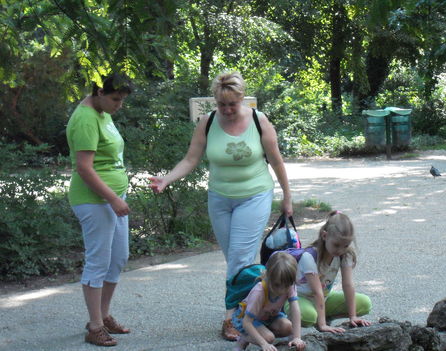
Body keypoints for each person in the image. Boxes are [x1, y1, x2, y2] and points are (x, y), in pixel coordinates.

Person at [149, 72, 293, 341]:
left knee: (239, 258)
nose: (227, 110)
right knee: (235, 260)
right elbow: (190, 159)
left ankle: (233, 319)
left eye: (232, 104)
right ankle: (258, 309)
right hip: (220, 198)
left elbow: (277, 161)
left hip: (254, 195)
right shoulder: (208, 122)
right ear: (215, 101)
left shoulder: (259, 121)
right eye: (221, 104)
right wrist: (166, 179)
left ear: (242, 100)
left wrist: (287, 196)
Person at [66, 74, 133, 347]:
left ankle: (104, 316)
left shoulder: (102, 111)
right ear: (98, 92)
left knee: (118, 257)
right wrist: (112, 199)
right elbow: (84, 168)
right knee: (98, 261)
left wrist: (118, 195)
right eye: (115, 99)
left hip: (112, 197)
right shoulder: (86, 119)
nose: (119, 105)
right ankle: (94, 326)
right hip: (94, 200)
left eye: (122, 100)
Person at [284, 210, 372, 333]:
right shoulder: (309, 257)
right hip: (300, 299)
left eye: (345, 245)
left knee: (364, 303)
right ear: (325, 236)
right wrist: (323, 325)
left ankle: (324, 315)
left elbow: (348, 285)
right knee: (309, 316)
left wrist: (353, 316)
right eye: (336, 245)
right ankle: (298, 318)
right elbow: (317, 292)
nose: (340, 250)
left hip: (324, 298)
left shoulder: (345, 255)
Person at [231, 251, 306, 351]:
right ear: (268, 276)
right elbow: (246, 322)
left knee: (288, 327)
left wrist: (297, 337)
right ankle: (243, 338)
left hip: (269, 317)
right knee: (269, 338)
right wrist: (263, 344)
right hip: (248, 319)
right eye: (277, 285)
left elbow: (295, 310)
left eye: (286, 286)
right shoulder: (259, 291)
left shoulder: (288, 284)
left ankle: (262, 333)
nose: (282, 290)